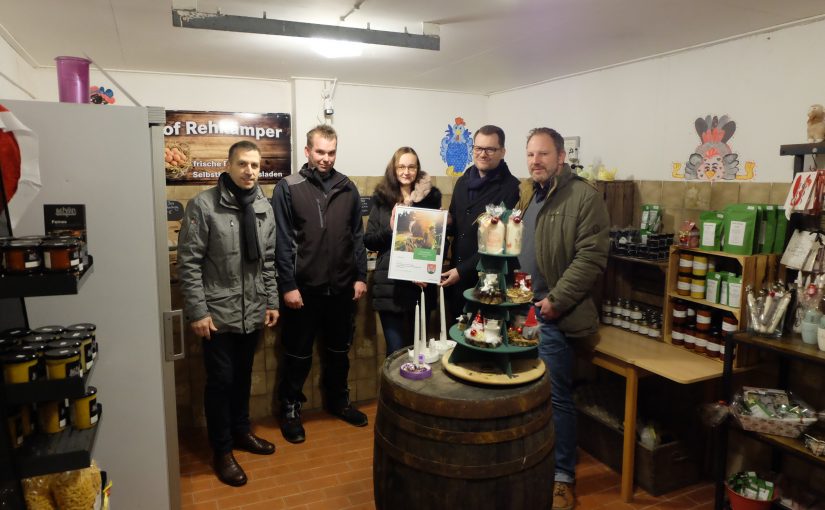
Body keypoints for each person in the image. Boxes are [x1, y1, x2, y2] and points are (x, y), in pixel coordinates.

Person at [515, 127, 609, 510]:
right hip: (522, 308)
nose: (536, 161)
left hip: (552, 313)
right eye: (531, 155)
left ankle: (562, 477)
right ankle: (536, 460)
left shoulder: (584, 197)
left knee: (555, 396)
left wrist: (555, 301)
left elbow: (591, 258)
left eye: (543, 155)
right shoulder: (530, 194)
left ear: (560, 157)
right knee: (526, 390)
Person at [177, 140, 279, 487]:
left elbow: (268, 262)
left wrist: (272, 301)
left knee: (243, 377)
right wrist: (197, 312)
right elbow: (188, 264)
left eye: (255, 165)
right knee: (220, 382)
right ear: (229, 165)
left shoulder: (264, 206)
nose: (249, 171)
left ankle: (240, 432)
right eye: (243, 164)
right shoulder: (204, 205)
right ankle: (221, 450)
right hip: (217, 315)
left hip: (252, 311)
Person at [271, 124, 368, 444]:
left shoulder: (347, 187)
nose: (326, 158)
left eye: (331, 152)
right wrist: (288, 285)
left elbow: (357, 236)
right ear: (308, 151)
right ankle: (290, 409)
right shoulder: (288, 187)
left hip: (341, 288)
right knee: (297, 354)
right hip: (304, 288)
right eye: (320, 152)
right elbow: (282, 241)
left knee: (339, 351)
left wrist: (360, 276)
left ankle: (339, 401)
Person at [365, 147, 442, 354]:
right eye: (401, 166)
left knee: (419, 350)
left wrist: (445, 224)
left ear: (418, 169)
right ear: (394, 168)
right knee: (396, 350)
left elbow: (430, 243)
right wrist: (390, 229)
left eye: (411, 167)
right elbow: (370, 241)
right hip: (389, 287)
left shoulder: (431, 198)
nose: (406, 172)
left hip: (420, 286)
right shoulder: (382, 198)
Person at [441, 125, 520, 324]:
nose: (482, 154)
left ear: (503, 152)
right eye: (478, 148)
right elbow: (456, 227)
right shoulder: (462, 182)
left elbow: (499, 241)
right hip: (457, 282)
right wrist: (439, 222)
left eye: (490, 149)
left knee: (485, 340)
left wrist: (462, 271)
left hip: (488, 283)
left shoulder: (512, 188)